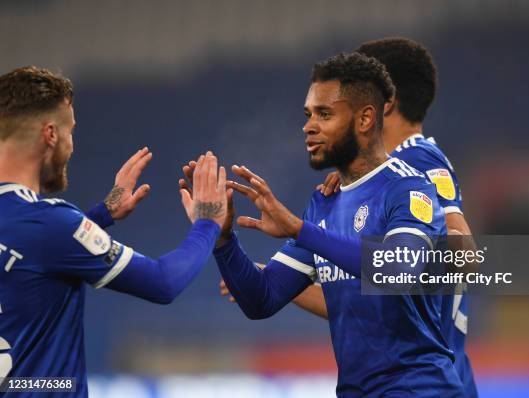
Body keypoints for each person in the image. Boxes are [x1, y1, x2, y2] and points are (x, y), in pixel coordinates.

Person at [217, 38, 479, 397]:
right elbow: (267, 300)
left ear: (375, 110)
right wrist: (222, 238)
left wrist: (301, 230)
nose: (308, 126)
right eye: (309, 114)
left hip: (423, 385)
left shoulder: (413, 170)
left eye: (324, 113)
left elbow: (423, 266)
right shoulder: (328, 200)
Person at [0, 66, 227, 397]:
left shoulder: (40, 228)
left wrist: (100, 215)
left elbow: (31, 255)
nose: (72, 145)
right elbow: (163, 282)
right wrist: (207, 221)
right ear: (50, 134)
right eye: (70, 131)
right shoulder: (48, 224)